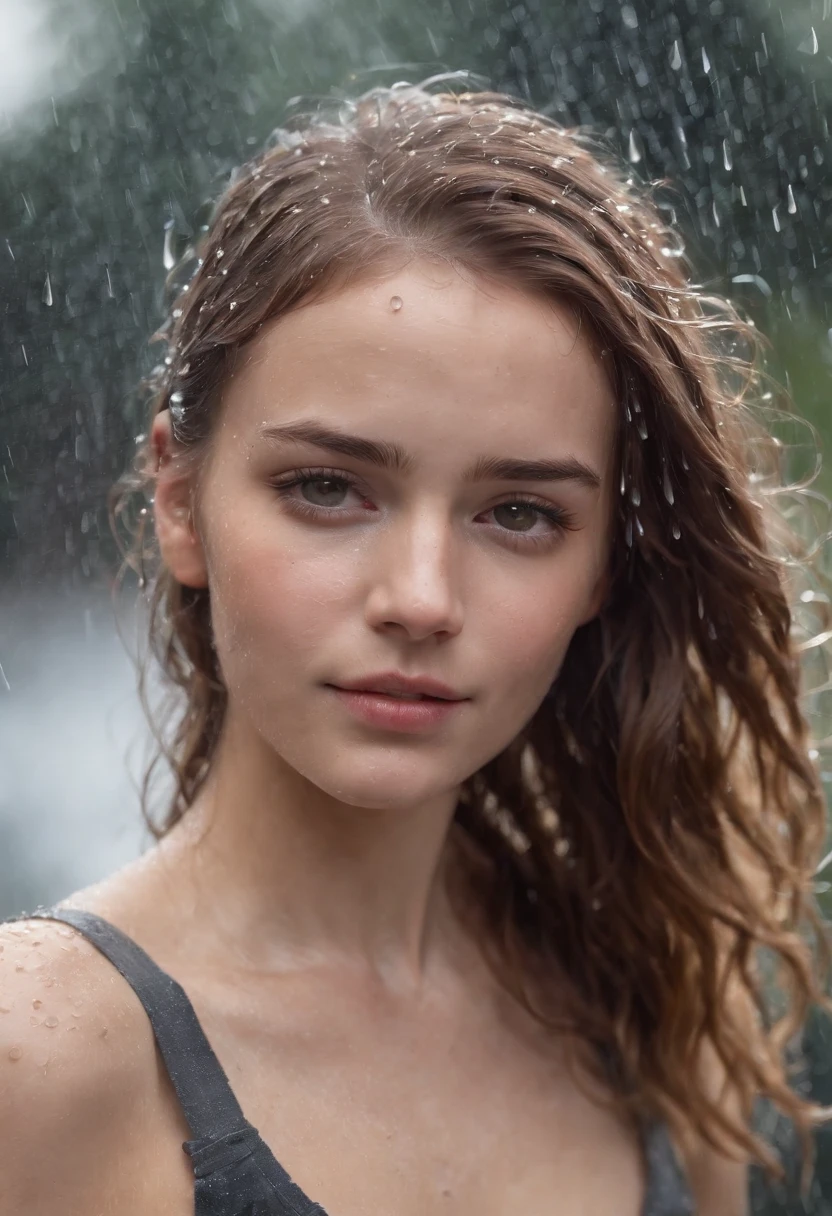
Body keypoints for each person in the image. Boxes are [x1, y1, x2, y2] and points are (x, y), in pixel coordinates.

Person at [2, 77, 830, 1216]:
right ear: (181, 498)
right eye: (329, 488)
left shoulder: (650, 1019)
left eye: (520, 513)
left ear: (601, 568)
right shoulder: (37, 1057)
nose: (421, 597)